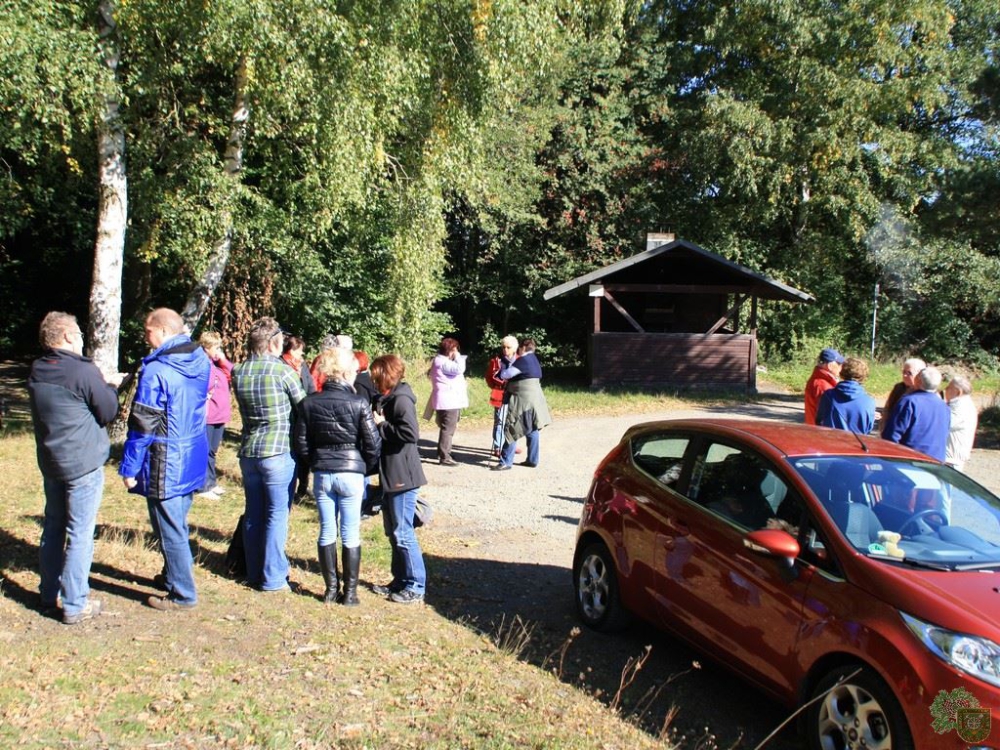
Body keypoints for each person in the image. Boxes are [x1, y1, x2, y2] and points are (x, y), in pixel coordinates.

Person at [28, 312, 120, 624]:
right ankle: (74, 602)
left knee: (53, 526)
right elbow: (107, 411)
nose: (81, 336)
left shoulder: (38, 369)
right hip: (83, 463)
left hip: (52, 461)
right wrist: (110, 386)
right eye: (78, 331)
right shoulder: (82, 372)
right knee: (80, 531)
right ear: (67, 337)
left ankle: (48, 593)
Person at [120, 308, 211, 611]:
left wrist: (130, 467)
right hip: (191, 452)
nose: (145, 337)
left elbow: (143, 423)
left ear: (163, 331)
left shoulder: (157, 370)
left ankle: (182, 594)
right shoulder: (199, 359)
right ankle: (172, 577)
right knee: (176, 522)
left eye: (148, 332)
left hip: (166, 458)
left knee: (169, 529)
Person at [295, 348, 381, 605]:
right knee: (351, 532)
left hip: (323, 472)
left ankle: (331, 590)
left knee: (327, 531)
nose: (356, 375)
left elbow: (301, 444)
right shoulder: (359, 403)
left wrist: (316, 462)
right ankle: (350, 593)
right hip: (352, 473)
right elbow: (373, 444)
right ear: (344, 373)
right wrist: (364, 466)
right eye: (354, 372)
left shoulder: (308, 403)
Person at [232, 317, 307, 592]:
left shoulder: (238, 371)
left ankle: (254, 572)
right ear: (275, 343)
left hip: (249, 450)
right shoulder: (282, 371)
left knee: (254, 512)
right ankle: (273, 577)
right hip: (277, 451)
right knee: (276, 514)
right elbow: (304, 407)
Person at [369, 354, 427, 604]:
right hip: (391, 473)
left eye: (375, 376)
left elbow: (410, 433)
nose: (372, 380)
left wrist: (382, 426)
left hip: (403, 474)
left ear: (386, 375)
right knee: (394, 532)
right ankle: (400, 580)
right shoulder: (388, 397)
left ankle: (416, 585)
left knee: (403, 532)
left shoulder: (401, 400)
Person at [493, 337, 552, 471]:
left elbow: (506, 375)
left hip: (523, 398)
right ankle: (532, 460)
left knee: (513, 426)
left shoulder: (524, 361)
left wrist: (501, 372)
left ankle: (506, 461)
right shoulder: (534, 359)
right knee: (532, 428)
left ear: (524, 347)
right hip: (535, 398)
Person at [883, 366, 951, 462]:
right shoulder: (944, 407)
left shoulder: (909, 402)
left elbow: (891, 435)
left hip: (910, 460)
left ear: (918, 381)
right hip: (936, 461)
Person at [196, 331, 233, 499]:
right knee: (204, 451)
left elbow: (233, 373)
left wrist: (223, 360)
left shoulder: (217, 365)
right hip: (208, 415)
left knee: (212, 451)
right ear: (206, 347)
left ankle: (211, 482)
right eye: (216, 347)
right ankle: (203, 486)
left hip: (220, 414)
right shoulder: (201, 364)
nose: (218, 350)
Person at [282, 335, 316, 499]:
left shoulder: (302, 366)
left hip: (303, 414)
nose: (301, 355)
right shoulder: (281, 365)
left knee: (303, 451)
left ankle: (303, 486)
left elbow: (310, 386)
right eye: (300, 351)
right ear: (291, 350)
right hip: (288, 415)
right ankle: (289, 486)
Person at [427, 336, 468, 466]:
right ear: (450, 350)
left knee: (447, 427)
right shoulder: (442, 362)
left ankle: (444, 451)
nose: (456, 351)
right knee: (448, 429)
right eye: (454, 349)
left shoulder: (440, 361)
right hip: (448, 401)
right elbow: (459, 369)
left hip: (447, 400)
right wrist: (458, 356)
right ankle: (445, 456)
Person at [815, 357, 876, 434]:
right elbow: (868, 429)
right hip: (856, 444)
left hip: (831, 442)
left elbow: (819, 421)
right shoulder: (869, 402)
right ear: (863, 377)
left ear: (842, 373)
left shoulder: (828, 396)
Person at [880, 357, 926, 438]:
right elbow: (888, 409)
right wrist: (883, 430)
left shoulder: (926, 393)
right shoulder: (898, 388)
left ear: (920, 374)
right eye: (903, 372)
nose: (905, 375)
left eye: (909, 373)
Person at [485, 338, 515, 457]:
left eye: (508, 347)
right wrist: (499, 384)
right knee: (500, 421)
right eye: (503, 347)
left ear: (514, 349)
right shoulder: (496, 361)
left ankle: (509, 445)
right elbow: (489, 377)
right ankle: (498, 446)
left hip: (514, 394)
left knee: (512, 420)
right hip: (500, 393)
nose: (505, 350)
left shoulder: (519, 360)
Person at [944, 375, 978, 471]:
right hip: (949, 457)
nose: (945, 389)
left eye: (948, 388)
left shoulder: (961, 407)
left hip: (951, 459)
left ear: (958, 392)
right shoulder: (958, 404)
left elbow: (944, 423)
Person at [803, 348, 844, 425]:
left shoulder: (821, 381)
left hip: (816, 430)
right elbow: (829, 414)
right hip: (820, 433)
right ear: (830, 366)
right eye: (839, 364)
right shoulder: (822, 386)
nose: (841, 367)